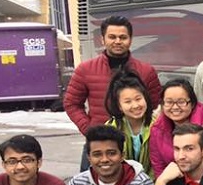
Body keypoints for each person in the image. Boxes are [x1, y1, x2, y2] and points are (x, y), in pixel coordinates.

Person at [64, 16, 161, 168]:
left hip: (140, 145)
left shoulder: (146, 71)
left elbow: (154, 104)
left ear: (130, 39)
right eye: (112, 37)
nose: (117, 41)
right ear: (102, 39)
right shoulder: (85, 69)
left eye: (123, 37)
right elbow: (71, 103)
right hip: (98, 144)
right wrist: (90, 130)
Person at [150, 79, 203, 178]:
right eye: (169, 102)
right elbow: (158, 166)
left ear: (192, 103)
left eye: (181, 102)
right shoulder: (157, 128)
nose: (175, 107)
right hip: (174, 182)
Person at [104, 70, 154, 178]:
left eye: (138, 99)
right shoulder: (111, 129)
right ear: (119, 106)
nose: (135, 105)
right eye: (128, 102)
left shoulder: (158, 125)